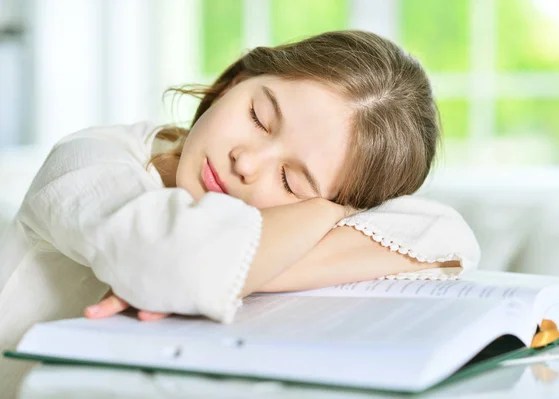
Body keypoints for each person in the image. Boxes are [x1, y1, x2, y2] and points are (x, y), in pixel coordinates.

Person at [0, 30, 479, 393]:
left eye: (292, 182)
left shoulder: (303, 209)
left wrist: (241, 263)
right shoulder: (91, 159)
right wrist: (311, 217)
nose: (246, 162)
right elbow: (174, 264)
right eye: (259, 117)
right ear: (235, 81)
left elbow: (445, 233)